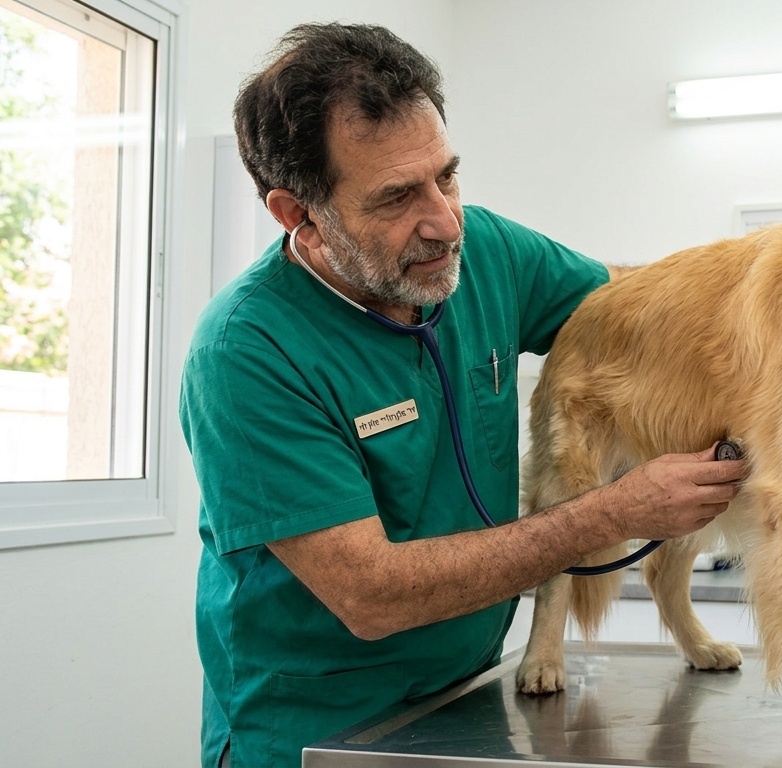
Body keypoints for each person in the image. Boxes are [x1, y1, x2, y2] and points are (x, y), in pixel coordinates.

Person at [179, 24, 747, 768]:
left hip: (463, 701)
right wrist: (617, 511)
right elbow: (373, 595)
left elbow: (638, 305)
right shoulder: (249, 352)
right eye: (395, 197)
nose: (445, 223)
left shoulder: (489, 253)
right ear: (299, 215)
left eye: (446, 175)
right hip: (313, 733)